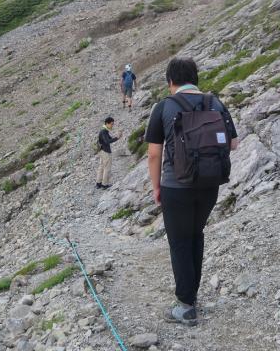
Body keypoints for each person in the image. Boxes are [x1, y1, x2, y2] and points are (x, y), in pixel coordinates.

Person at [144, 57, 239, 326]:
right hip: (210, 185)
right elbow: (233, 143)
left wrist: (156, 187)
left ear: (170, 81)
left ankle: (185, 305)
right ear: (195, 78)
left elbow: (153, 154)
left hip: (177, 186)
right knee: (196, 235)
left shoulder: (164, 106)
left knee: (180, 242)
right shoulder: (215, 103)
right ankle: (191, 297)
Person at [96, 117, 123, 189]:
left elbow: (109, 139)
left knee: (101, 167)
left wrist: (117, 137)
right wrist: (117, 137)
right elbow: (107, 141)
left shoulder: (104, 131)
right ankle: (104, 184)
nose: (112, 126)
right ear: (107, 123)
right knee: (107, 168)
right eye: (111, 124)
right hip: (105, 152)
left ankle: (98, 183)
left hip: (102, 151)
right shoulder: (104, 131)